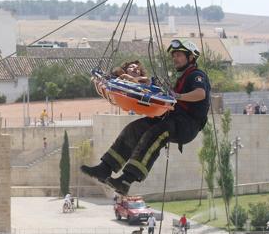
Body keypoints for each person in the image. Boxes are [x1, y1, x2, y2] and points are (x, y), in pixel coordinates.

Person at [81, 39, 211, 195]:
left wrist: (178, 95)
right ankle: (105, 168)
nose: (174, 58)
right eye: (173, 55)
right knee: (134, 129)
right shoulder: (183, 77)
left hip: (187, 125)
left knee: (155, 134)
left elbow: (200, 94)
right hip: (172, 119)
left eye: (178, 55)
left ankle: (126, 180)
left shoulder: (197, 75)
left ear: (191, 58)